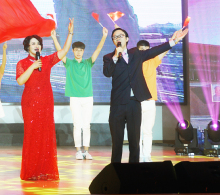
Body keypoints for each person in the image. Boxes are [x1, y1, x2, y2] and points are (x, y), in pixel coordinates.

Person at [103, 26, 188, 163]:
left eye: (121, 36)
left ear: (127, 39)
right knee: (117, 142)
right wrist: (115, 57)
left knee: (134, 141)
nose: (118, 38)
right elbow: (107, 73)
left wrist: (174, 41)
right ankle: (115, 171)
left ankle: (134, 171)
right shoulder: (108, 57)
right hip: (118, 104)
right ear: (113, 41)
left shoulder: (136, 53)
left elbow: (155, 51)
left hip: (134, 103)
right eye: (115, 37)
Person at [16, 20, 74, 181]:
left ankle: (44, 170)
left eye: (38, 44)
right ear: (28, 47)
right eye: (33, 44)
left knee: (45, 135)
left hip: (46, 102)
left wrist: (70, 32)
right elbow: (20, 81)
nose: (37, 46)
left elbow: (64, 51)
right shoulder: (22, 63)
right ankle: (31, 171)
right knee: (32, 135)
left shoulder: (47, 60)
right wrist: (32, 66)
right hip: (30, 103)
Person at [53, 26, 107, 160]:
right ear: (73, 51)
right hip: (75, 98)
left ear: (83, 51)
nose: (78, 52)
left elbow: (98, 50)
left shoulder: (88, 63)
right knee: (77, 124)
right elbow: (60, 52)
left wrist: (104, 36)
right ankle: (78, 151)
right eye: (76, 50)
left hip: (88, 97)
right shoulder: (69, 63)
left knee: (86, 125)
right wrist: (54, 38)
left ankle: (86, 151)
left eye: (81, 50)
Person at [137, 39, 168, 162]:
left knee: (148, 131)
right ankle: (138, 156)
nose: (144, 52)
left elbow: (164, 50)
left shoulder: (153, 61)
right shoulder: (134, 62)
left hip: (150, 101)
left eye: (146, 50)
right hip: (137, 101)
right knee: (137, 131)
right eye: (141, 49)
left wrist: (174, 40)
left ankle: (147, 155)